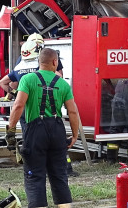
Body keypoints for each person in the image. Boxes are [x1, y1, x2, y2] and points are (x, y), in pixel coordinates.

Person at [5, 48, 80, 208]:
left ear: (39, 62)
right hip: (57, 132)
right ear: (55, 62)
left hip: (35, 133)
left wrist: (10, 130)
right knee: (59, 175)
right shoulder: (62, 83)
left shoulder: (27, 79)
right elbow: (72, 111)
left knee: (35, 176)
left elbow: (18, 105)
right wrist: (74, 135)